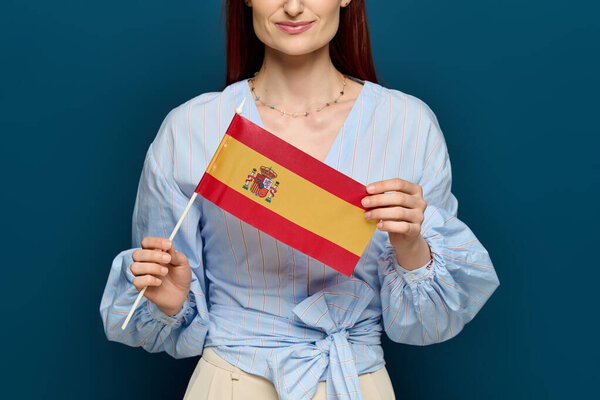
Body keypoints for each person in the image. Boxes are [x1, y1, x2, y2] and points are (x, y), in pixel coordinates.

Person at [99, 1, 500, 399]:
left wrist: (412, 245)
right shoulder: (192, 128)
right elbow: (158, 298)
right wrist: (170, 302)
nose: (293, 7)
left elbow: (433, 318)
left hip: (356, 381)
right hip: (232, 382)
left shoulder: (408, 124)